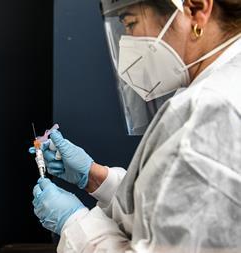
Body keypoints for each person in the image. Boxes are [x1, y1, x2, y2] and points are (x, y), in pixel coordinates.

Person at [31, 0, 241, 252]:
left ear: (195, 10)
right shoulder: (222, 88)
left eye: (130, 23)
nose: (126, 45)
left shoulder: (210, 112)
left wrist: (75, 223)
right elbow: (173, 207)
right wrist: (97, 179)